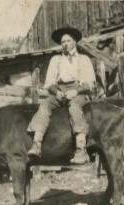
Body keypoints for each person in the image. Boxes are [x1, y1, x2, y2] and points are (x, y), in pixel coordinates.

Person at [27, 27, 96, 165]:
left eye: (68, 41)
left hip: (79, 91)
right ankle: (37, 143)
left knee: (74, 107)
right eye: (62, 41)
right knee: (45, 105)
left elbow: (89, 83)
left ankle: (81, 149)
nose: (65, 44)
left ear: (75, 41)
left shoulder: (84, 59)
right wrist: (56, 91)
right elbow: (49, 82)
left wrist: (75, 91)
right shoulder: (56, 60)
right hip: (61, 90)